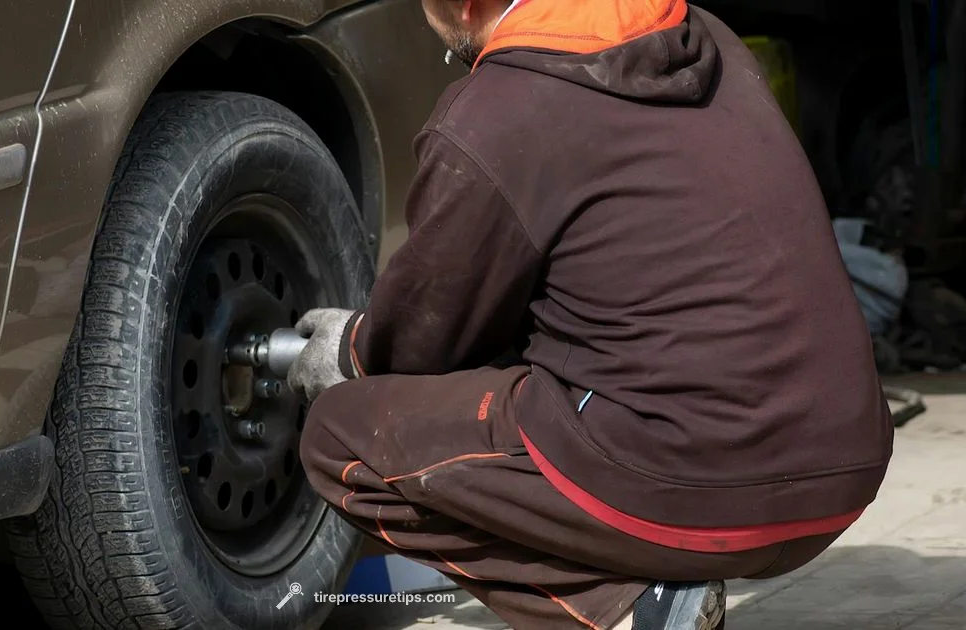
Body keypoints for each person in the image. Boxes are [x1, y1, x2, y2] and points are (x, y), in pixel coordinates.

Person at [286, 0, 895, 627]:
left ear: (465, 6)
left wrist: (351, 346)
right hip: (844, 471)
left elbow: (424, 343)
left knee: (341, 433)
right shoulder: (701, 35)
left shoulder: (497, 111)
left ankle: (626, 611)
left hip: (706, 486)